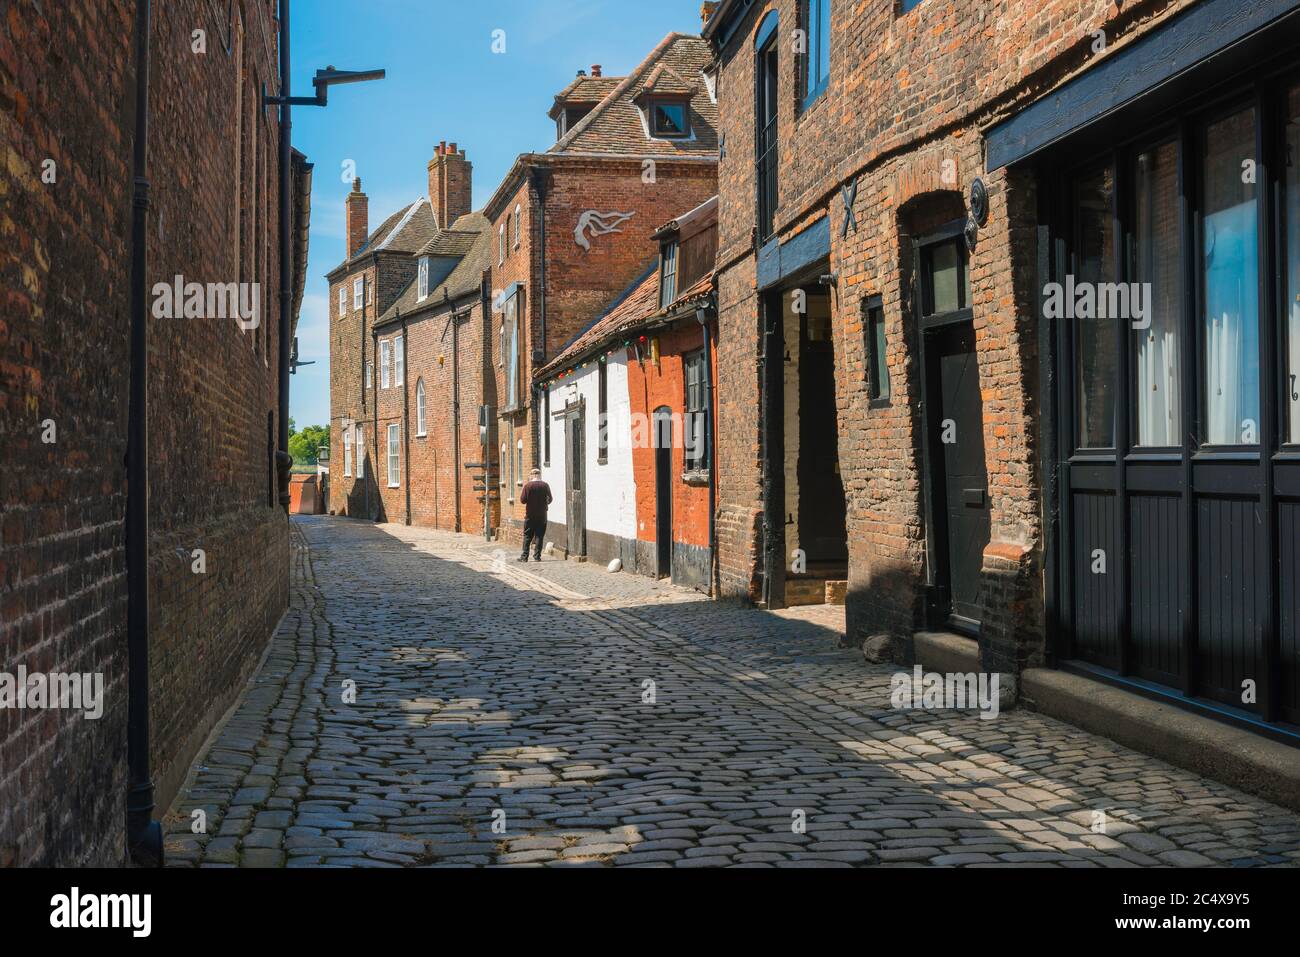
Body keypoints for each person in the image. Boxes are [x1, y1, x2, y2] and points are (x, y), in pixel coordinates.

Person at [519, 468, 552, 562]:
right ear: (539, 475)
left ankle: (524, 557)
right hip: (542, 515)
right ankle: (537, 557)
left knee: (527, 536)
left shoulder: (528, 486)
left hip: (530, 515)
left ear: (531, 475)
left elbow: (522, 500)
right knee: (539, 536)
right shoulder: (545, 485)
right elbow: (550, 499)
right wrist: (544, 503)